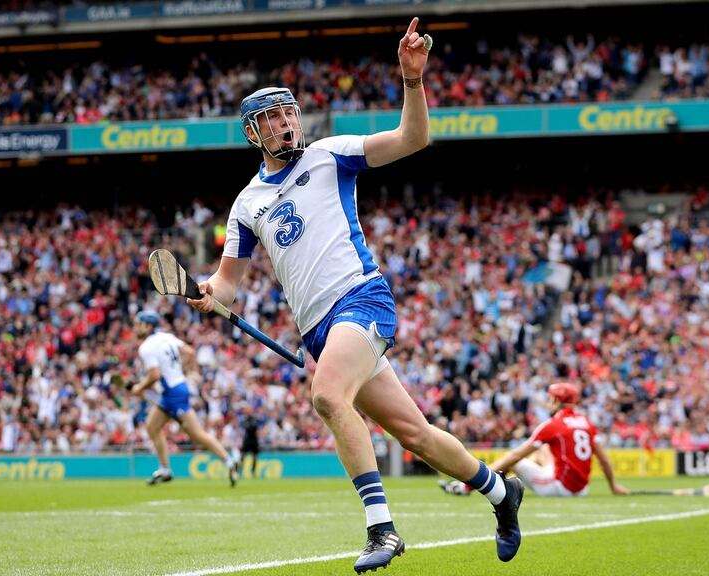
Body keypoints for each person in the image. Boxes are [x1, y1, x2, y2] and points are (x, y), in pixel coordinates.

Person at [187, 17, 523, 573]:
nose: (284, 123)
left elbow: (413, 139)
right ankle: (498, 493)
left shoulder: (330, 154)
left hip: (361, 300)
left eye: (288, 112)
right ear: (253, 131)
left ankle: (381, 529)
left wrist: (413, 84)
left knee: (326, 397)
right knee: (415, 434)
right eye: (271, 117)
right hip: (318, 328)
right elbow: (229, 283)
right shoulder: (246, 205)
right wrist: (206, 292)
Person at [441, 383, 629, 498]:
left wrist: (473, 481)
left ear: (557, 401)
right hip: (582, 489)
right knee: (542, 450)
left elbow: (515, 455)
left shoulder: (553, 424)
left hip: (561, 488)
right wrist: (613, 486)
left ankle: (468, 487)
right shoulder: (587, 422)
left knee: (515, 460)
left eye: (550, 399)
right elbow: (603, 459)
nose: (548, 402)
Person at [131, 310, 240, 487]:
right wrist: (188, 371)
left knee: (196, 435)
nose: (137, 327)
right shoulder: (167, 336)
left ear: (148, 325)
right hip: (175, 389)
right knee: (152, 426)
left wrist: (139, 388)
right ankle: (165, 469)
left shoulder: (146, 347)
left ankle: (228, 460)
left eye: (140, 323)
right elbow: (189, 352)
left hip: (174, 392)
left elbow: (154, 375)